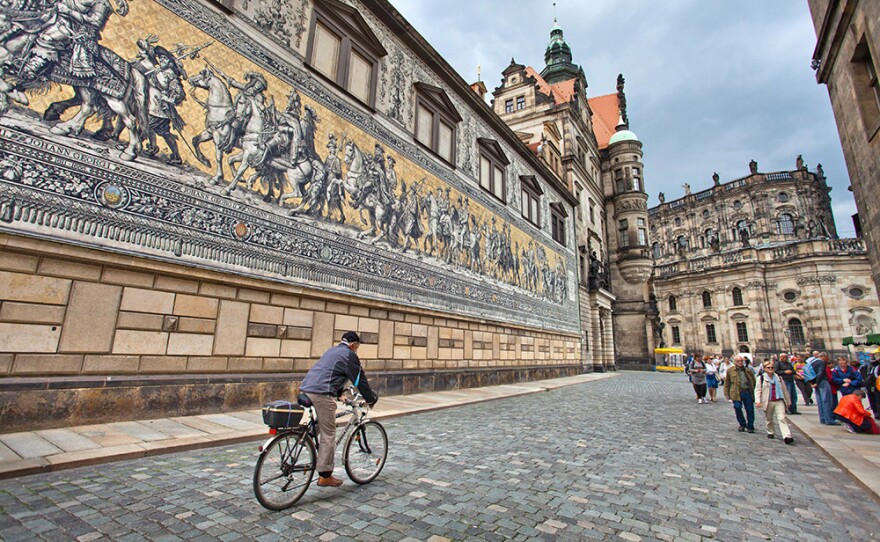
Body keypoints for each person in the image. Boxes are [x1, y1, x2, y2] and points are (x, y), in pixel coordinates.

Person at [298, 331, 378, 487]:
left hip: (306, 389)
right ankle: (325, 475)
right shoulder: (350, 355)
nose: (356, 349)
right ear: (354, 345)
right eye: (357, 347)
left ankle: (307, 437)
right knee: (329, 433)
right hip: (321, 394)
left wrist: (340, 392)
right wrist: (370, 398)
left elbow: (331, 372)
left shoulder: (332, 351)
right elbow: (359, 379)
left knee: (320, 424)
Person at [755, 361, 794, 444]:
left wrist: (788, 400)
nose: (770, 369)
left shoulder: (778, 377)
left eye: (772, 367)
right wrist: (758, 401)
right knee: (769, 418)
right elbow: (758, 390)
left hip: (779, 400)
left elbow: (784, 390)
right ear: (765, 369)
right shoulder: (761, 378)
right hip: (768, 401)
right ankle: (770, 431)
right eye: (768, 367)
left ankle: (787, 436)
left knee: (782, 418)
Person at [724, 355, 757, 433]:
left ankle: (750, 426)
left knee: (750, 409)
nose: (740, 362)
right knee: (737, 408)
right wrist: (726, 393)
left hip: (747, 392)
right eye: (738, 361)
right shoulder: (730, 371)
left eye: (741, 361)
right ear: (735, 362)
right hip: (736, 392)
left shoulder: (748, 370)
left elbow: (753, 381)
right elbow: (727, 383)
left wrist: (754, 391)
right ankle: (742, 424)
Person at [809, 352, 838, 425]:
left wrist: (813, 383)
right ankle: (828, 420)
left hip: (815, 382)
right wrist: (817, 382)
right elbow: (821, 372)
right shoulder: (822, 362)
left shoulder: (812, 362)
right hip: (822, 382)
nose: (827, 359)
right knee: (826, 401)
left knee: (820, 401)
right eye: (826, 357)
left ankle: (822, 419)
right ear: (824, 357)